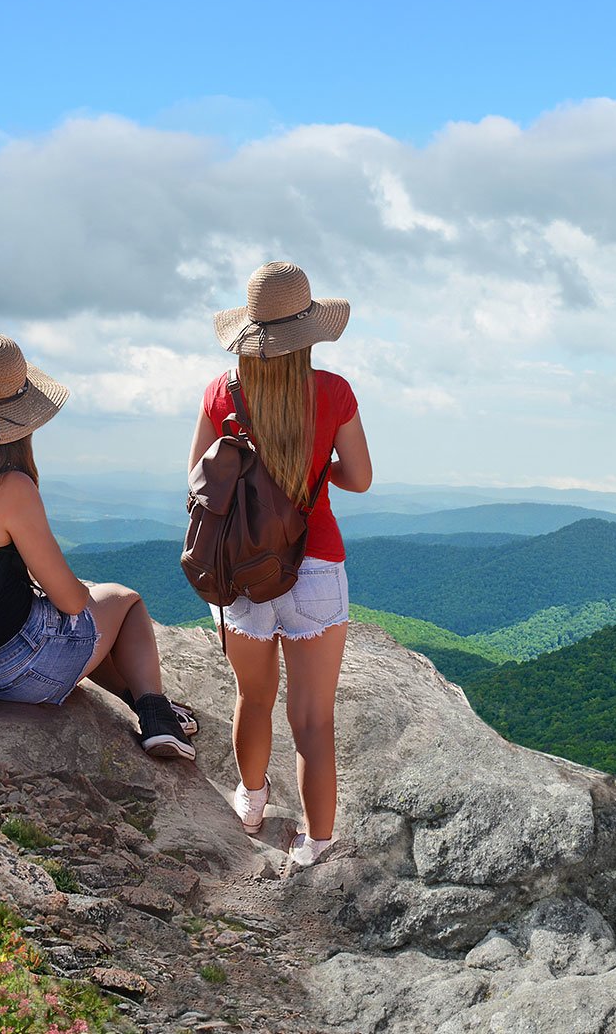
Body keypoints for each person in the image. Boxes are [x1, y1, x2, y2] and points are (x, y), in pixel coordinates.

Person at [0, 332, 196, 758]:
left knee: (86, 629)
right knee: (123, 601)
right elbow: (72, 604)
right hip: (12, 672)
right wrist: (83, 594)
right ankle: (157, 720)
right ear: (19, 419)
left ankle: (150, 706)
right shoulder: (9, 486)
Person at [192, 261, 371, 867]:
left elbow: (199, 480)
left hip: (243, 565)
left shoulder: (223, 393)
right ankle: (317, 843)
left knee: (253, 696)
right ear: (308, 334)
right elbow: (362, 479)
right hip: (316, 562)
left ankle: (251, 800)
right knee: (314, 718)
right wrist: (317, 474)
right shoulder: (333, 392)